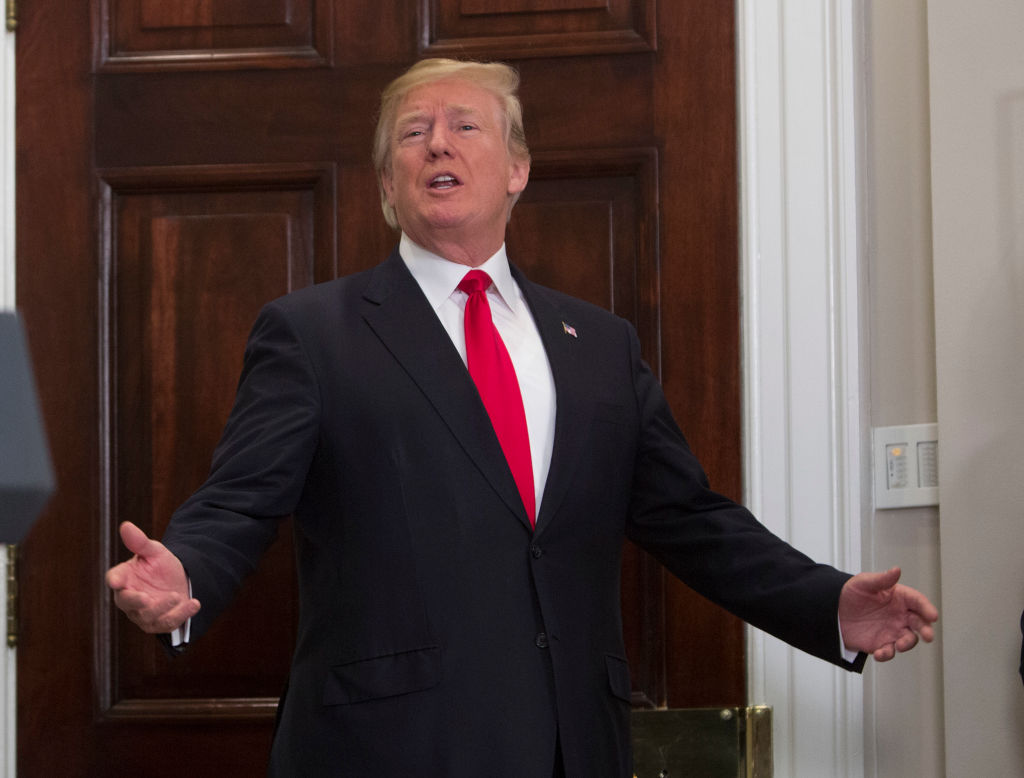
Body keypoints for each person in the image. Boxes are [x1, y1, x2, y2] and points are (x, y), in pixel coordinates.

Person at [106, 58, 938, 777]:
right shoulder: (314, 332)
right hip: (387, 746)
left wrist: (827, 604)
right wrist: (189, 575)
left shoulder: (599, 345)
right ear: (389, 186)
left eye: (465, 125)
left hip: (573, 746)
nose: (438, 142)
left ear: (517, 170)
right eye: (412, 133)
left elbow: (692, 520)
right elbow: (241, 499)